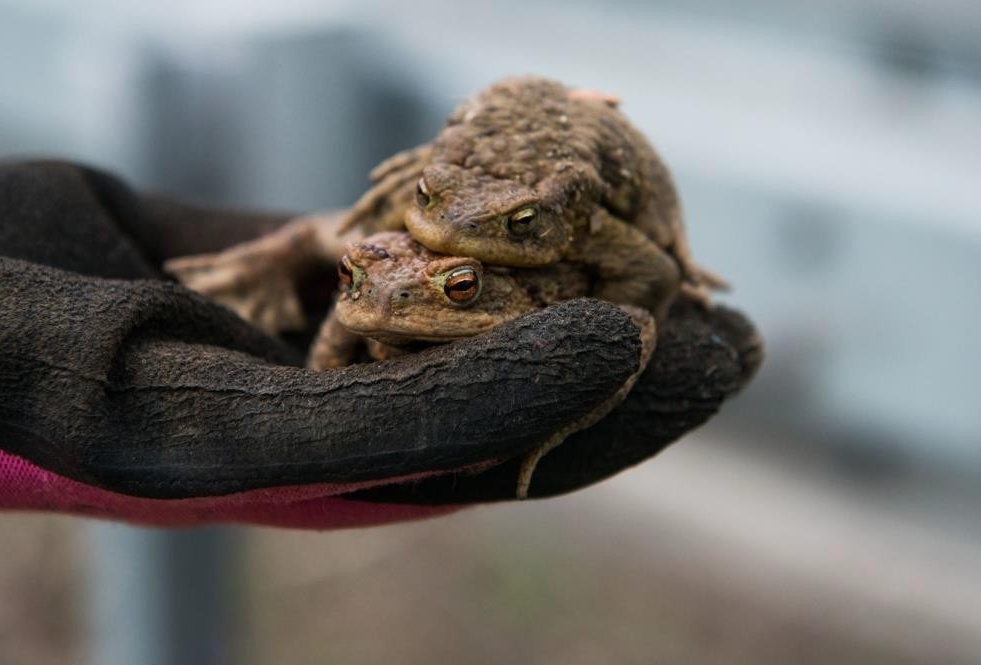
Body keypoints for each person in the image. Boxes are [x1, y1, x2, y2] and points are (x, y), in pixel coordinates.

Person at [0, 160, 760, 529]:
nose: (375, 301)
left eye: (456, 287)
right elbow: (354, 311)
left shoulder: (539, 290)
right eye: (351, 277)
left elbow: (620, 306)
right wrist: (324, 375)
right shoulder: (371, 295)